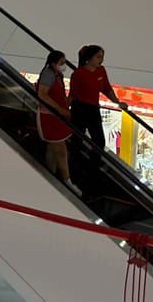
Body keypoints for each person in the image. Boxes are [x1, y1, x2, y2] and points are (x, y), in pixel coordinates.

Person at [69, 44, 127, 180]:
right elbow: (73, 94)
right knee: (77, 140)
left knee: (99, 141)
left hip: (94, 108)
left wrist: (117, 102)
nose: (101, 60)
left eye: (102, 57)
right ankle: (74, 169)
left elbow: (106, 88)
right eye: (98, 57)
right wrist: (65, 109)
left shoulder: (101, 71)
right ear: (89, 58)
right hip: (80, 109)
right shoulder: (78, 74)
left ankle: (92, 169)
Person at [36, 50, 79, 196]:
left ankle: (50, 175)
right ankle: (66, 180)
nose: (64, 65)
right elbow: (42, 94)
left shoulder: (58, 75)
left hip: (57, 117)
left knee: (52, 147)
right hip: (49, 117)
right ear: (53, 63)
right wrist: (59, 109)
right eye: (61, 62)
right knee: (60, 149)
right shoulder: (48, 75)